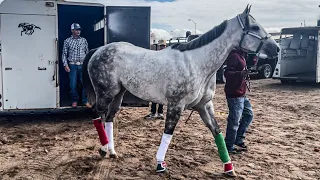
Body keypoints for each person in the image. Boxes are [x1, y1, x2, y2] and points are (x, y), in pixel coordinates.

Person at [224, 48, 254, 154]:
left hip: (241, 93)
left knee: (248, 115)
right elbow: (227, 73)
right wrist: (240, 74)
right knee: (234, 121)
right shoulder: (234, 56)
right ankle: (229, 146)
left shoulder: (242, 55)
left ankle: (238, 139)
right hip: (235, 94)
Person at [62, 23, 91, 108]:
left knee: (85, 83)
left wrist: (88, 64)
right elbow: (64, 54)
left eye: (79, 29)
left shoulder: (84, 40)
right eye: (76, 29)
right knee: (73, 84)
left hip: (82, 64)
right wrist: (65, 65)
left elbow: (87, 52)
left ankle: (85, 100)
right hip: (72, 65)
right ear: (72, 30)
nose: (78, 31)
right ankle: (74, 100)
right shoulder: (67, 41)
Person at [144, 39, 166, 120]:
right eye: (161, 46)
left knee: (161, 96)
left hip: (163, 79)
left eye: (163, 46)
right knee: (154, 96)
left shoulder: (166, 55)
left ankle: (160, 112)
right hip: (155, 78)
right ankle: (153, 112)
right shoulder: (156, 55)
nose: (162, 47)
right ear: (158, 46)